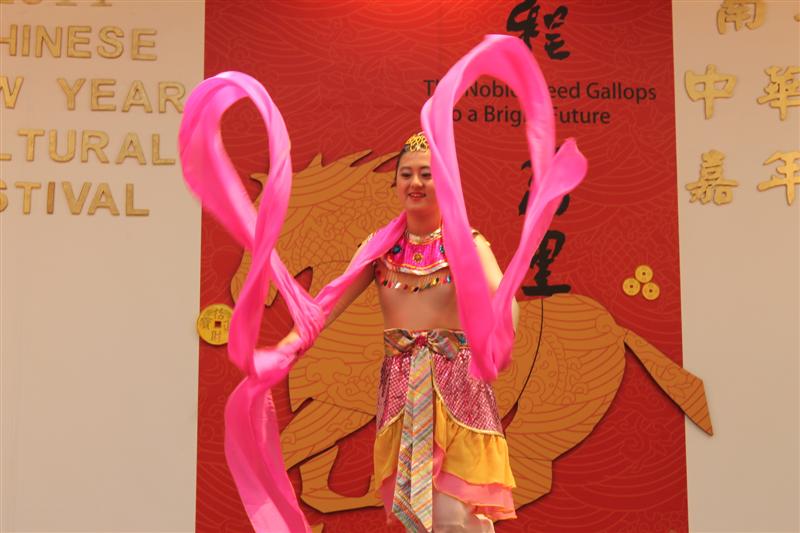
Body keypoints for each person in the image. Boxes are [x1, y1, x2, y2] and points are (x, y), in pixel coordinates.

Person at [279, 132, 518, 532]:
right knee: (414, 517)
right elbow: (327, 304)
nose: (415, 183)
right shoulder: (380, 248)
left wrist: (499, 341)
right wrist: (289, 345)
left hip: (456, 389)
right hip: (403, 391)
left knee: (453, 515)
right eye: (406, 174)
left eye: (426, 174)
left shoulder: (467, 243)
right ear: (395, 183)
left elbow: (504, 298)